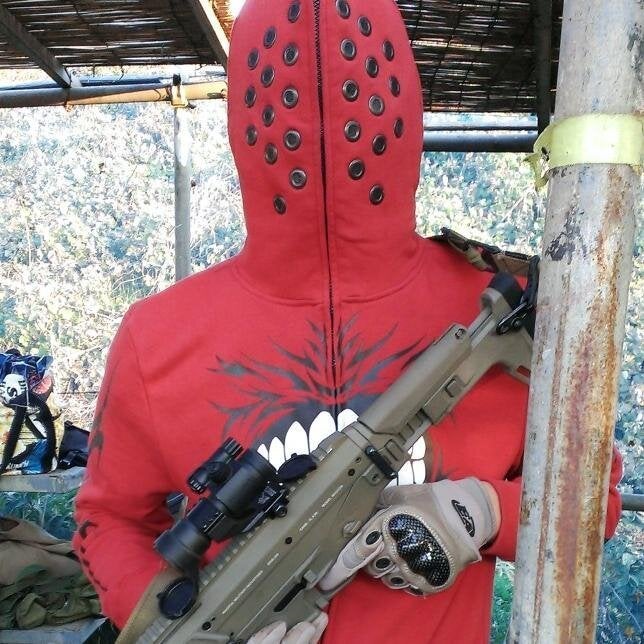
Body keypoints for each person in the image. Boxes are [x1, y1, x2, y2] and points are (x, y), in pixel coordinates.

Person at [73, 0, 623, 641]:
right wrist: (181, 629)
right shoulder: (156, 337)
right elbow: (107, 521)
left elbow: (597, 497)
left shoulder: (507, 309)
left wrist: (487, 513)